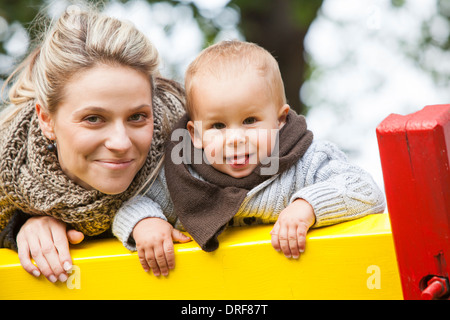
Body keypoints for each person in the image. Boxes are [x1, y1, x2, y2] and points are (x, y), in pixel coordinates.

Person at [113, 40, 386, 277]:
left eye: (249, 120)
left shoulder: (302, 160)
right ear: (195, 135)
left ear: (280, 120)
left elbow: (364, 189)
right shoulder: (183, 175)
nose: (235, 138)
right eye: (218, 126)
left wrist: (306, 207)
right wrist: (145, 222)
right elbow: (130, 204)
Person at [0, 3, 186, 283]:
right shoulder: (9, 172)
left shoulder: (193, 142)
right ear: (46, 120)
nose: (121, 143)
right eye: (94, 119)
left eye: (137, 116)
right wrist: (20, 226)